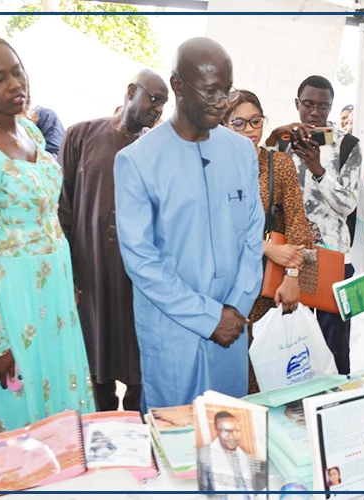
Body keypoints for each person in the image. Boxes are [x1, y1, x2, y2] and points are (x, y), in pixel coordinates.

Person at [0, 25, 96, 430]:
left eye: (17, 71)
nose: (15, 84)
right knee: (26, 408)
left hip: (55, 289)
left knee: (64, 396)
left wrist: (69, 279)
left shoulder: (28, 131)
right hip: (14, 296)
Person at [115, 37, 264, 410]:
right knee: (174, 448)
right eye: (211, 91)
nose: (223, 102)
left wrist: (237, 306)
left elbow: (251, 236)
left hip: (232, 329)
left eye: (227, 90)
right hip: (173, 332)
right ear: (178, 85)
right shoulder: (137, 161)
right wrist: (209, 316)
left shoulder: (242, 151)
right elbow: (141, 261)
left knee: (230, 441)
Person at [58, 69, 169, 412]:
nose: (158, 110)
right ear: (131, 91)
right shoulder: (81, 135)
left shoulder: (158, 150)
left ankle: (136, 430)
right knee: (94, 358)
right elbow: (62, 206)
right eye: (153, 99)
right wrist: (67, 273)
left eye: (164, 104)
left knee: (139, 361)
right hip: (89, 274)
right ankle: (100, 426)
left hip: (135, 279)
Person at [265, 75, 362, 375]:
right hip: (288, 253)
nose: (316, 112)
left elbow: (347, 205)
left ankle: (339, 404)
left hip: (332, 255)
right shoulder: (282, 141)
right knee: (289, 338)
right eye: (309, 104)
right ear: (297, 104)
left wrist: (317, 168)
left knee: (334, 342)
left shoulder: (348, 146)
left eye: (323, 106)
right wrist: (271, 140)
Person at [222, 90, 312, 395]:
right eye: (239, 123)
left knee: (264, 377)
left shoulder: (279, 164)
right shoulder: (212, 167)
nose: (250, 130)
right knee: (225, 379)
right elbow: (209, 230)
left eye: (256, 121)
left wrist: (293, 276)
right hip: (221, 289)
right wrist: (263, 247)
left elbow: (298, 225)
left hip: (266, 291)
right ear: (222, 125)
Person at [201, 411, 258, 492]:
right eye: (225, 431)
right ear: (216, 431)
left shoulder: (247, 457)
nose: (231, 436)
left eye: (236, 431)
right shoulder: (204, 455)